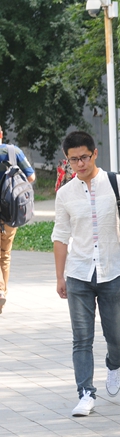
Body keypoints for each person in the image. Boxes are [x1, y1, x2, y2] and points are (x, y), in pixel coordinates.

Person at [51, 131, 120, 417]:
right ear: (67, 160)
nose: (79, 164)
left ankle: (114, 364)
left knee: (117, 338)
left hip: (112, 271)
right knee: (81, 338)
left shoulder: (116, 183)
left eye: (84, 157)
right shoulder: (65, 194)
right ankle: (86, 393)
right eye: (73, 159)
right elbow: (60, 236)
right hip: (79, 273)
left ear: (95, 154)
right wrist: (60, 276)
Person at [0, 125, 36, 314]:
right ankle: (2, 293)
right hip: (10, 212)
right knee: (5, 254)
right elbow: (31, 177)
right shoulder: (13, 152)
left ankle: (0, 291)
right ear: (1, 134)